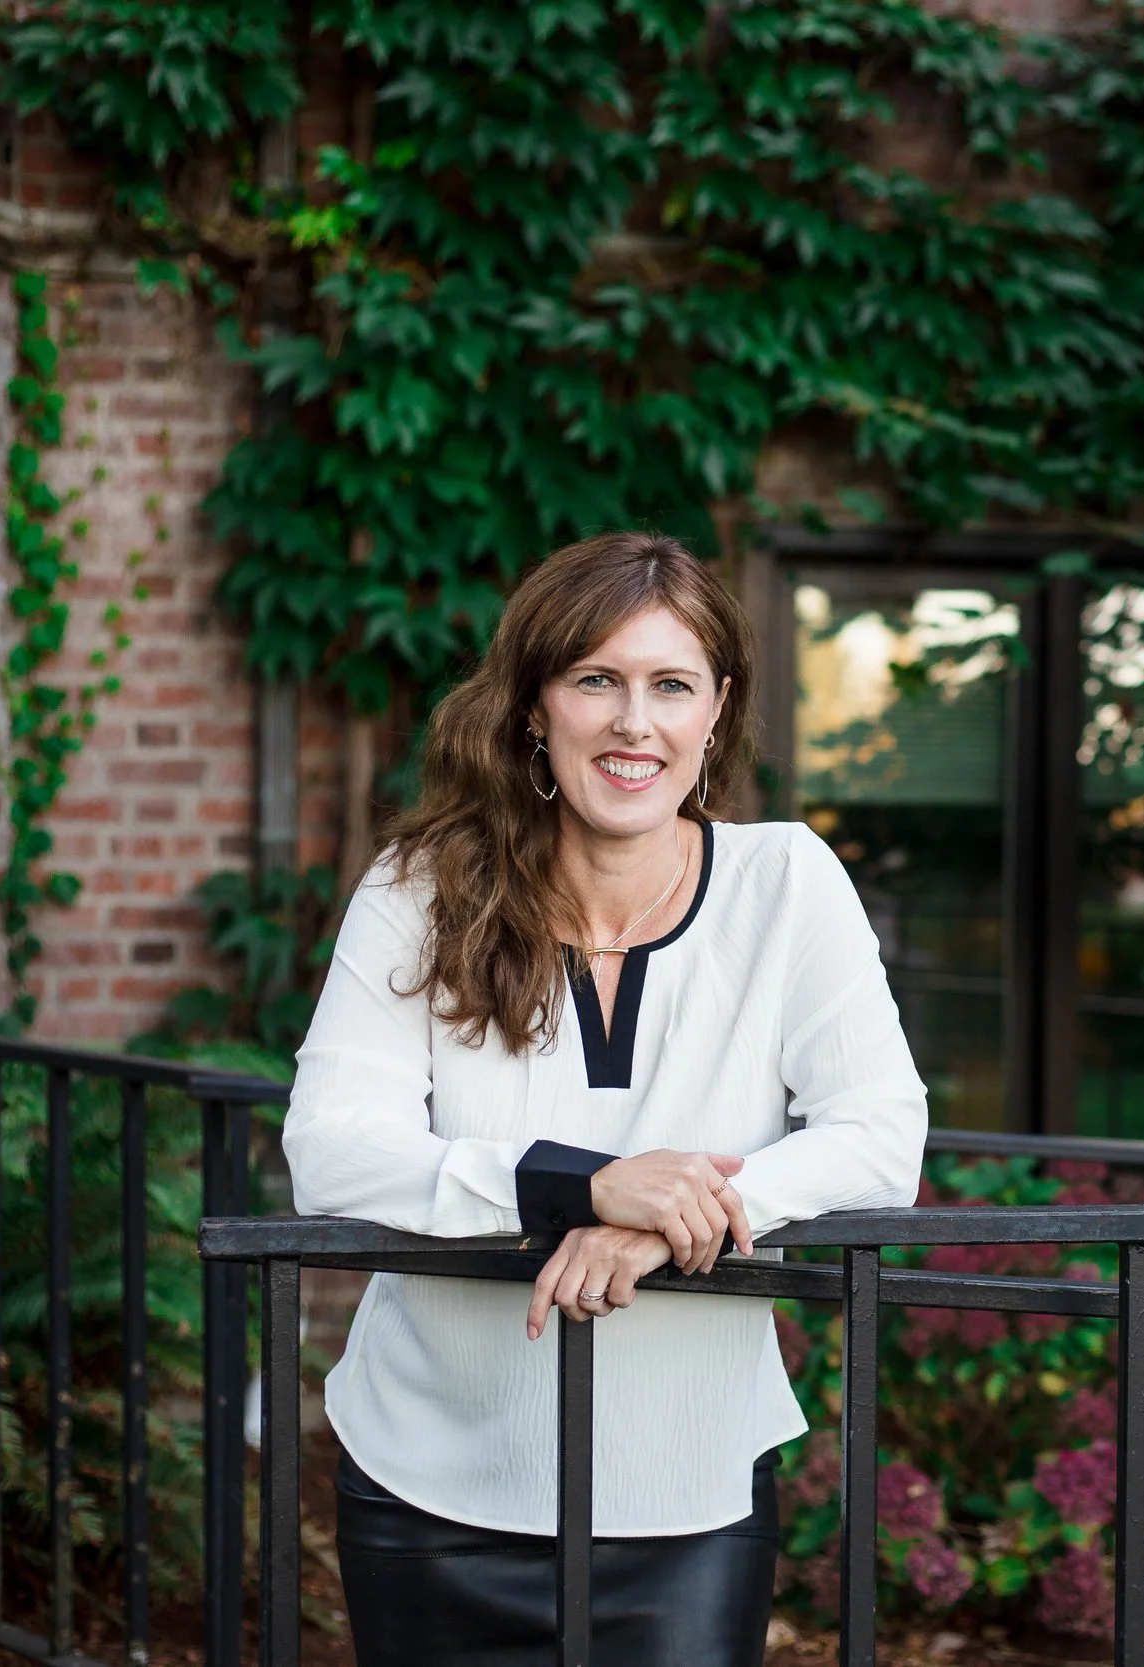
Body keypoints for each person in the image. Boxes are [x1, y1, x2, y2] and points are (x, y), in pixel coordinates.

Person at [282, 531, 928, 1666]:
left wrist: (666, 1218)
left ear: (716, 713)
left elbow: (881, 1136)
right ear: (535, 705)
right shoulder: (420, 886)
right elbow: (331, 1149)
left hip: (686, 1490)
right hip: (430, 1482)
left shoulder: (785, 883)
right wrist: (580, 1184)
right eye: (597, 679)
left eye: (671, 684)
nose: (636, 721)